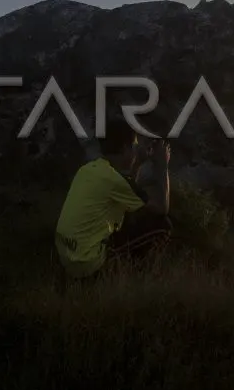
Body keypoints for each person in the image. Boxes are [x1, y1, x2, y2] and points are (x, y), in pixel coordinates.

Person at [54, 119, 172, 280]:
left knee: (130, 214)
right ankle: (130, 277)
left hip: (67, 255)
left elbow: (128, 191)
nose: (136, 150)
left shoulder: (89, 169)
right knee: (162, 225)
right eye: (135, 146)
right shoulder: (114, 180)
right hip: (87, 263)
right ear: (125, 148)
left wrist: (137, 163)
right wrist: (163, 165)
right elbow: (161, 208)